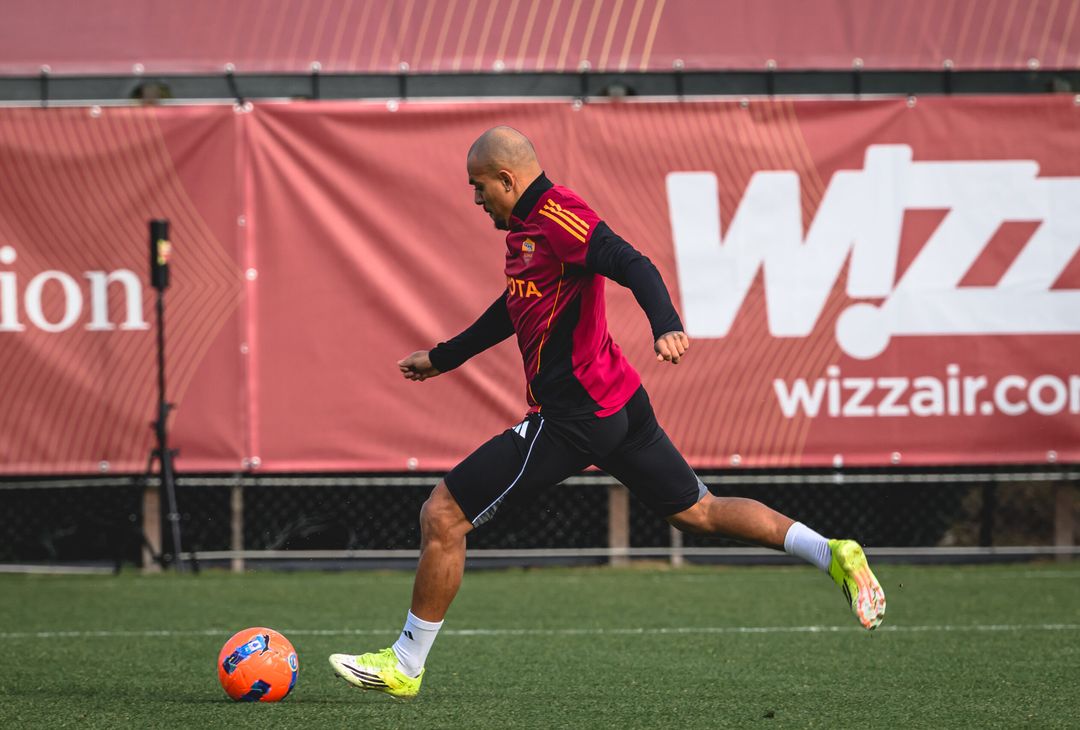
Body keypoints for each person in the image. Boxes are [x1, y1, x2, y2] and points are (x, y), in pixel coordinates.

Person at [329, 126, 885, 698]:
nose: (475, 199)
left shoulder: (557, 213)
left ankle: (406, 664)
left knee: (443, 516)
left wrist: (665, 323)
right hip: (617, 402)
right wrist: (445, 358)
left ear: (507, 179)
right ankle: (832, 552)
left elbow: (631, 262)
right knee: (700, 511)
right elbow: (515, 308)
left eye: (479, 187)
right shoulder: (525, 231)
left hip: (577, 415)